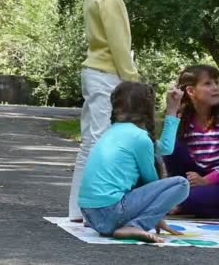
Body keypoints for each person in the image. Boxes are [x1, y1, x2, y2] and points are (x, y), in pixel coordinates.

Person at [68, 0, 140, 221]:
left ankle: (79, 208)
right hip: (107, 74)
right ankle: (92, 209)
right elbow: (119, 44)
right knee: (101, 143)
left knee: (92, 141)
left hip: (96, 72)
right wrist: (133, 82)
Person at [78, 82, 188, 243]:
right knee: (181, 184)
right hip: (110, 214)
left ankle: (130, 223)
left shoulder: (113, 132)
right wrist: (154, 212)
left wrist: (172, 110)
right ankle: (135, 225)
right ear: (148, 109)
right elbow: (151, 182)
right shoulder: (139, 138)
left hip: (90, 214)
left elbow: (163, 148)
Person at [163, 65, 219, 218]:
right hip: (193, 178)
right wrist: (172, 108)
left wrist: (206, 180)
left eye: (217, 83)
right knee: (173, 144)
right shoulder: (183, 118)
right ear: (191, 91)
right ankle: (180, 196)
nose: (215, 88)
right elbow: (165, 148)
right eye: (208, 84)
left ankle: (211, 207)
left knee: (192, 200)